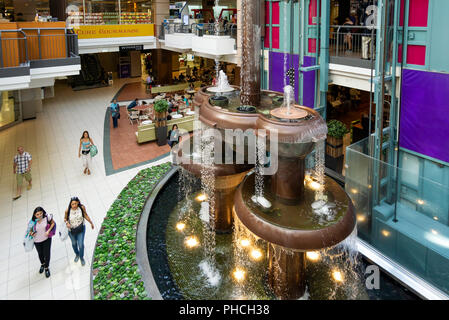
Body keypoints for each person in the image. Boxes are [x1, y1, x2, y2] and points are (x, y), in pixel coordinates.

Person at [64, 197, 94, 266]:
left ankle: (81, 257)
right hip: (71, 230)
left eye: (75, 203)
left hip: (81, 229)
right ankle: (77, 254)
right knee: (74, 243)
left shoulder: (82, 207)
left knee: (80, 244)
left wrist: (91, 222)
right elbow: (65, 219)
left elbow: (85, 215)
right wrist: (67, 223)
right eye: (72, 204)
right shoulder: (67, 210)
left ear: (78, 203)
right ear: (70, 204)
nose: (74, 205)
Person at [27, 207, 55, 278]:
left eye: (41, 214)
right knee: (40, 254)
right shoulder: (32, 222)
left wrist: (48, 231)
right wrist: (31, 233)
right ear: (34, 215)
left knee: (47, 254)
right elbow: (29, 231)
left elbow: (53, 223)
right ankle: (42, 264)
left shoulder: (47, 217)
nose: (39, 216)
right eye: (37, 214)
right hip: (37, 241)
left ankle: (46, 267)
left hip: (46, 239)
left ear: (43, 213)